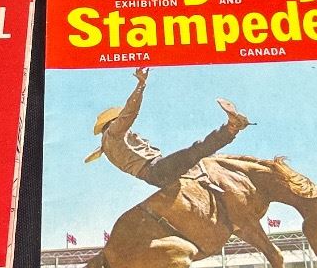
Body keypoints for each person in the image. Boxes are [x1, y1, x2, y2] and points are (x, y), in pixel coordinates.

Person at [86, 65, 248, 190]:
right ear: (113, 121)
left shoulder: (106, 145)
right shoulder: (114, 131)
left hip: (153, 177)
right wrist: (141, 84)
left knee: (195, 162)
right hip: (156, 168)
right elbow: (129, 112)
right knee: (197, 150)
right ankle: (231, 128)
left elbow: (97, 152)